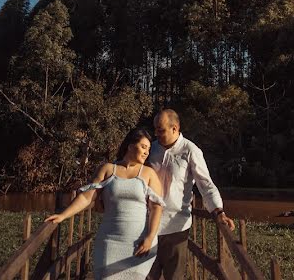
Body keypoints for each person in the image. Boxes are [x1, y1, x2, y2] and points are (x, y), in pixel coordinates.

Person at [46, 128, 165, 280]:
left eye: (148, 149)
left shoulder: (149, 174)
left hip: (139, 242)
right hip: (110, 241)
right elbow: (86, 198)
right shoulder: (108, 169)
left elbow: (156, 208)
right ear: (130, 146)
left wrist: (150, 237)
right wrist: (63, 215)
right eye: (143, 147)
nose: (146, 152)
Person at [147, 109, 235, 280]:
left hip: (176, 228)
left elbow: (205, 184)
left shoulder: (190, 150)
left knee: (174, 277)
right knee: (146, 276)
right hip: (147, 225)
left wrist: (219, 212)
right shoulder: (151, 148)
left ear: (175, 128)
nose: (156, 133)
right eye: (155, 129)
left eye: (161, 130)